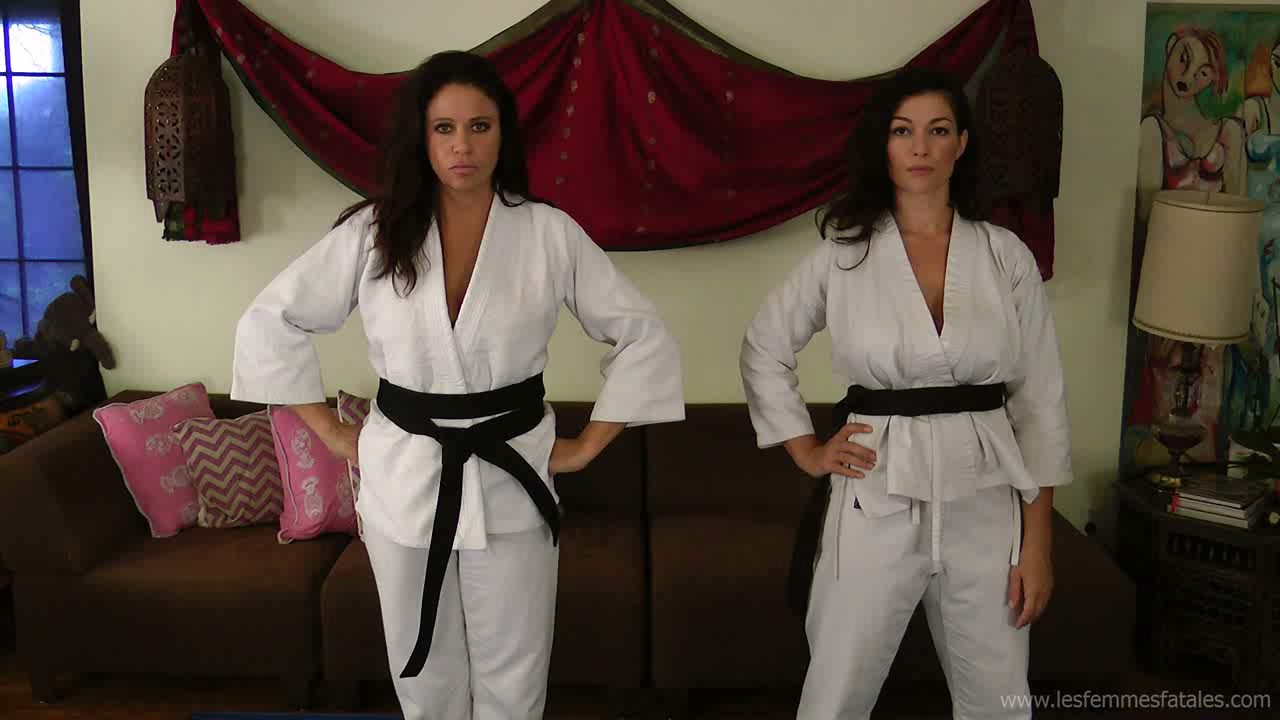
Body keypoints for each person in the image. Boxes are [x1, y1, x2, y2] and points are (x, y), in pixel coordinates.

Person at [231, 50, 684, 720]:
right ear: (421, 136)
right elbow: (272, 319)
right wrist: (331, 432)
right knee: (424, 674)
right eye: (444, 128)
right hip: (405, 472)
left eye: (479, 126)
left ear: (503, 134)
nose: (462, 146)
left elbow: (642, 332)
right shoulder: (373, 232)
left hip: (513, 470)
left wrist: (589, 443)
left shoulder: (548, 233)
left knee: (515, 673)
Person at [739, 67, 1072, 720]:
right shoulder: (845, 253)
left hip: (986, 498)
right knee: (837, 691)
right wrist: (807, 449)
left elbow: (1040, 401)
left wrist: (1037, 545)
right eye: (903, 131)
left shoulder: (1005, 256)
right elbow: (764, 346)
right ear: (883, 144)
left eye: (938, 130)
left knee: (1000, 699)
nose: (920, 147)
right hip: (876, 488)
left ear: (962, 144)